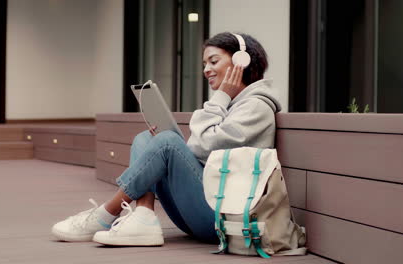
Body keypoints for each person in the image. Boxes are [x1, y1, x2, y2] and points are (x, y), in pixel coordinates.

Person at [51, 32, 281, 246]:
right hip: (202, 209)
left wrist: (220, 97)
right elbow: (205, 150)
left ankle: (105, 214)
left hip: (224, 220)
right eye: (204, 64)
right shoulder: (232, 104)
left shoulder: (256, 107)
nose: (206, 70)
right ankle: (144, 217)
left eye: (213, 61)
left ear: (241, 62)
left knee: (167, 141)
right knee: (145, 139)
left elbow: (203, 147)